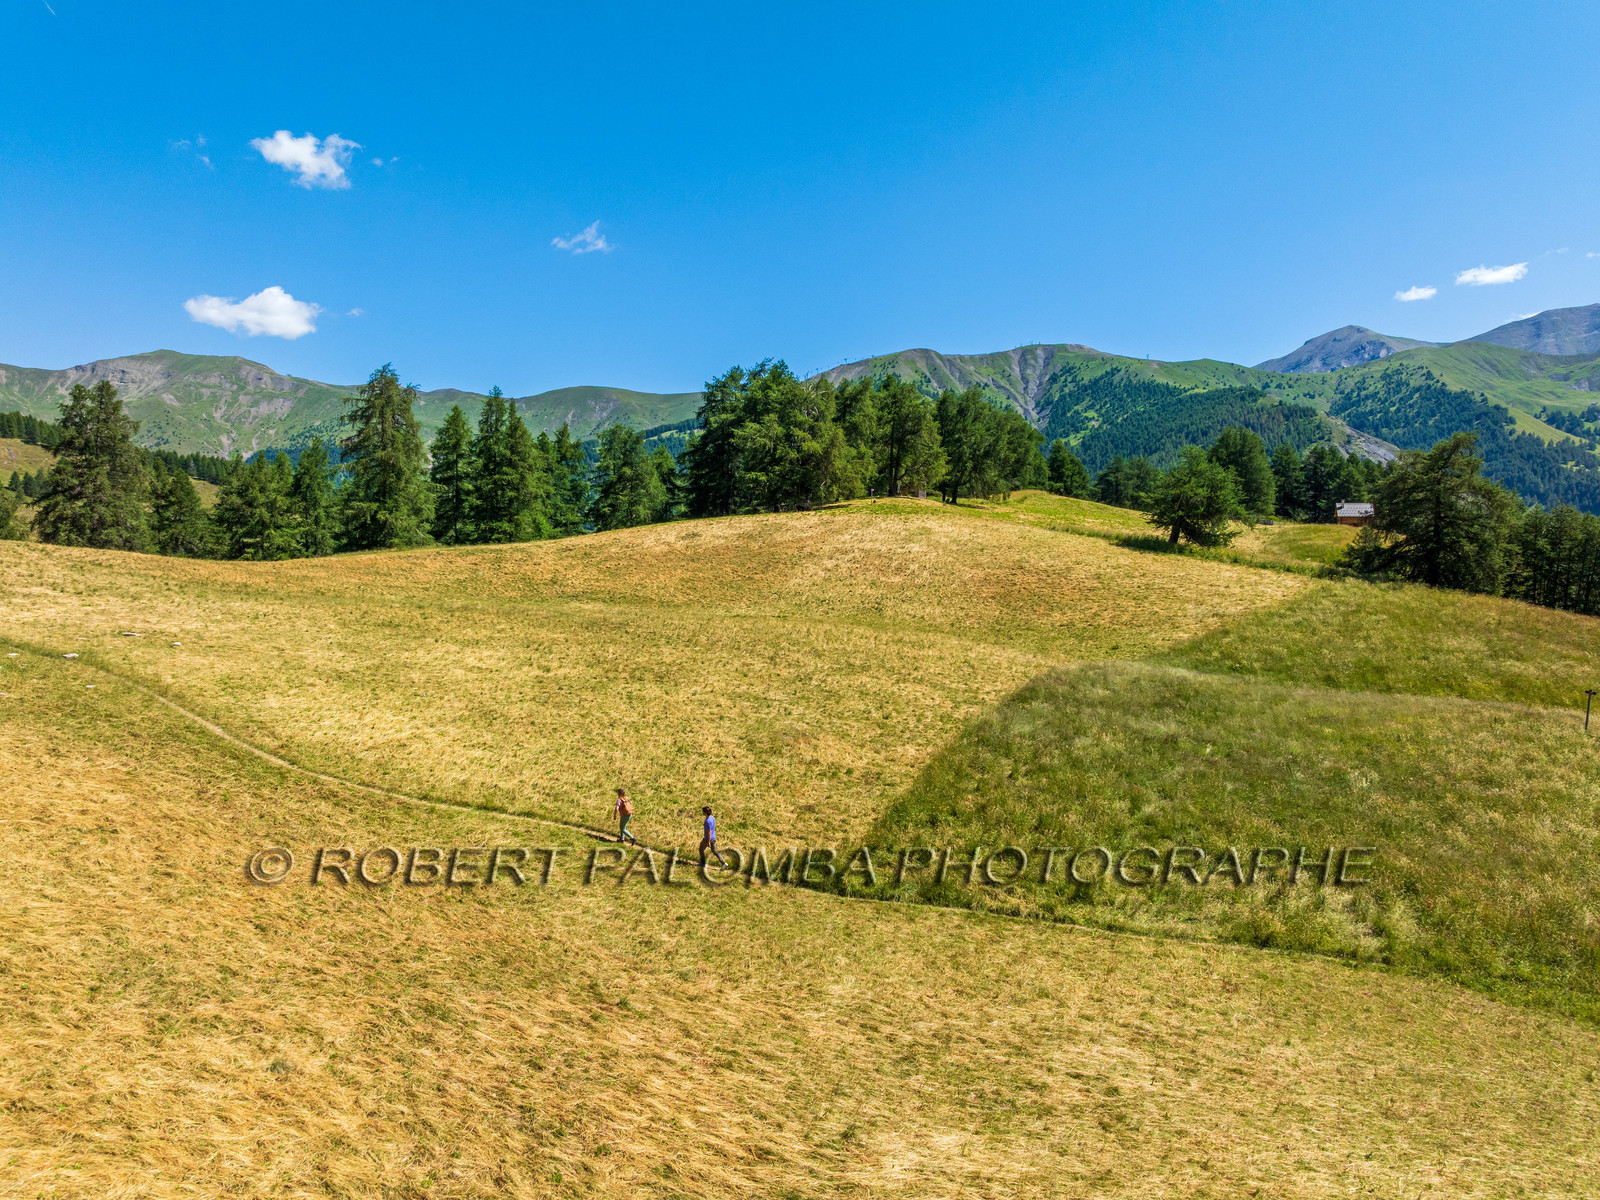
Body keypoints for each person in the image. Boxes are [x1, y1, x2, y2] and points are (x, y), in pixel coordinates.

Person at [699, 805, 727, 869]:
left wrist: (708, 842)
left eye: (703, 811)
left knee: (701, 849)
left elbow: (709, 832)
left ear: (705, 812)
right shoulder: (712, 817)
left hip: (707, 839)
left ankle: (703, 864)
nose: (702, 812)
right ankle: (724, 863)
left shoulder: (707, 821)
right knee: (715, 851)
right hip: (713, 838)